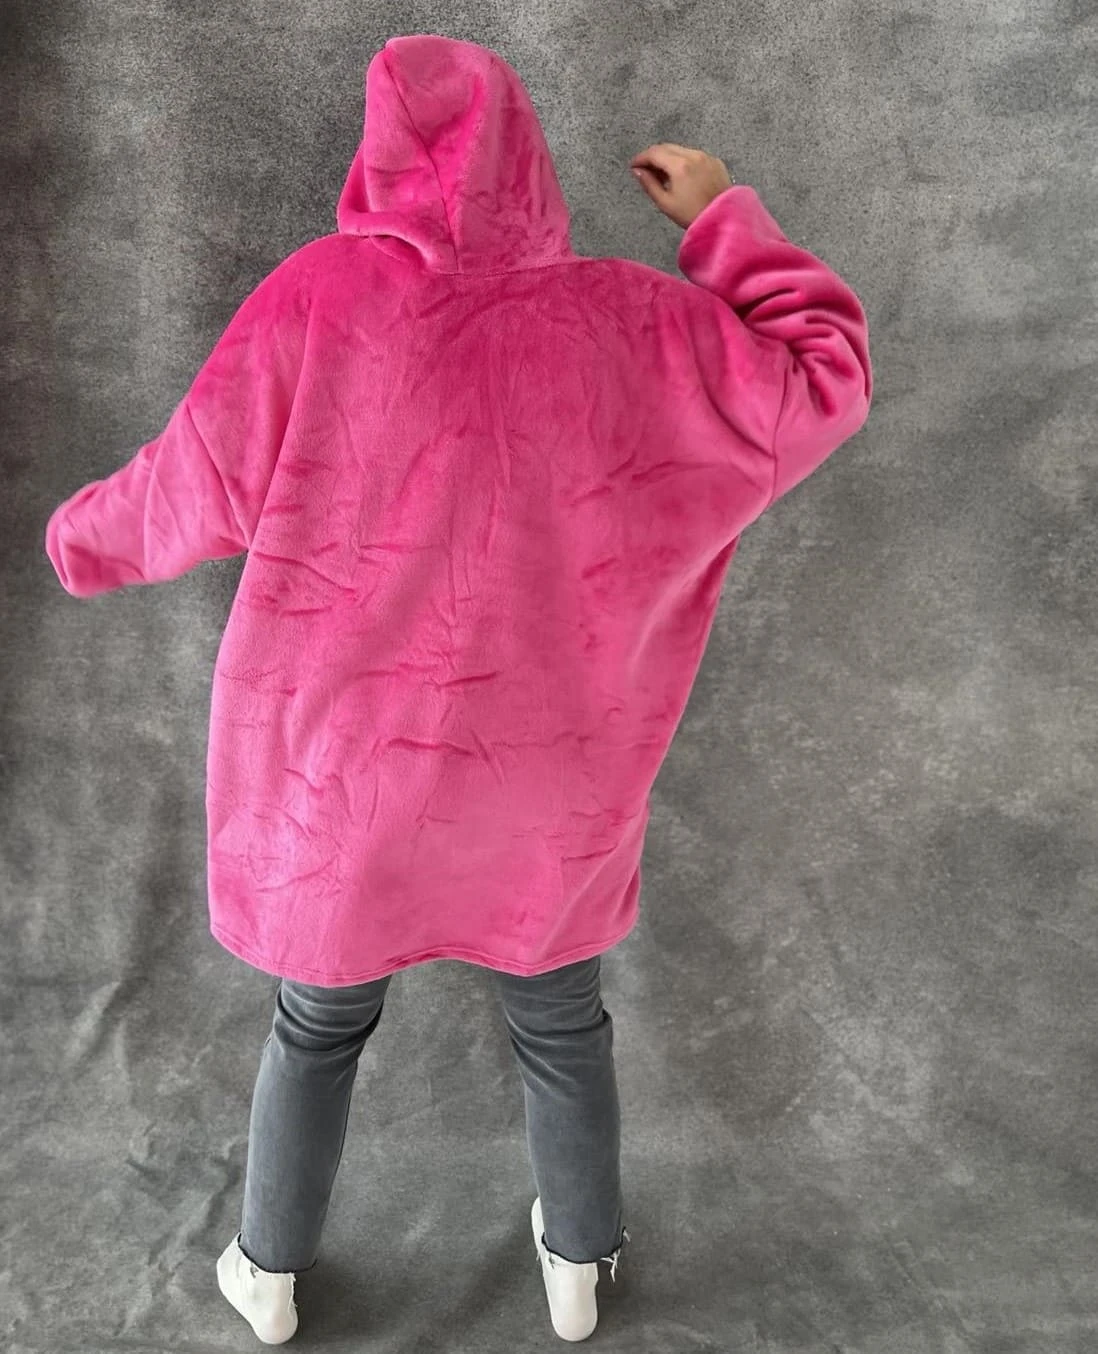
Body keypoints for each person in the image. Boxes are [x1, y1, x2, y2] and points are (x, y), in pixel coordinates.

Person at [43, 34, 871, 1347]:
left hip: (340, 776)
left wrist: (75, 539)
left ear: (375, 156)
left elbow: (181, 484)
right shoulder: (628, 320)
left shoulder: (316, 299)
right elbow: (823, 377)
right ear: (526, 155)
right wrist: (719, 215)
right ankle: (578, 1265)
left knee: (315, 1024)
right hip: (546, 779)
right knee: (561, 1022)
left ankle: (267, 1274)